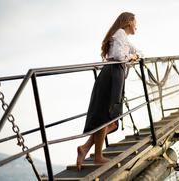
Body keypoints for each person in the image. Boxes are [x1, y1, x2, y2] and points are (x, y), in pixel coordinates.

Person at [76, 12, 142, 171]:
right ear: (128, 22)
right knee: (107, 116)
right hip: (112, 74)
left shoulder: (124, 37)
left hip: (116, 74)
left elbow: (140, 53)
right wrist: (132, 57)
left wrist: (134, 55)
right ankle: (97, 156)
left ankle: (85, 148)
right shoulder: (119, 33)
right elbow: (120, 55)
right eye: (135, 22)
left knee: (112, 120)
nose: (137, 26)